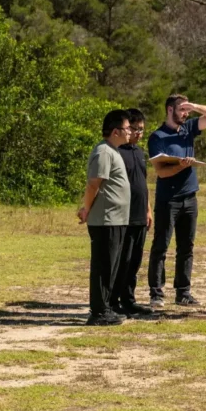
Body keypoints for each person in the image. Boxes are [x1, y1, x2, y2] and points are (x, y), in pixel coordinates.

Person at [146, 94, 206, 309]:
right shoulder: (157, 137)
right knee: (161, 246)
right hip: (168, 199)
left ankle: (183, 292)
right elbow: (161, 172)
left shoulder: (188, 129)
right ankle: (156, 293)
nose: (186, 114)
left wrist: (195, 105)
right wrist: (180, 165)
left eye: (187, 110)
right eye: (182, 109)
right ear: (169, 110)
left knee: (186, 247)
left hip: (190, 197)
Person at [77, 109, 132, 326]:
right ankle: (98, 312)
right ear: (116, 131)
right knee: (103, 266)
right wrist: (86, 208)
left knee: (111, 265)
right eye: (127, 128)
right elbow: (93, 184)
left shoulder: (113, 151)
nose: (130, 132)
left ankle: (106, 307)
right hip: (106, 219)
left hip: (117, 219)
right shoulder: (103, 152)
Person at [109, 108, 154, 317]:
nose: (138, 133)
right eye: (135, 129)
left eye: (142, 130)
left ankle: (129, 299)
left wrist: (148, 209)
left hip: (140, 214)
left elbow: (142, 183)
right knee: (122, 260)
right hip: (123, 215)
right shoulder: (117, 151)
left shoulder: (139, 152)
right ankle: (113, 301)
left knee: (134, 261)